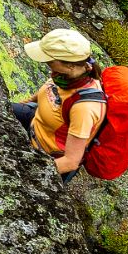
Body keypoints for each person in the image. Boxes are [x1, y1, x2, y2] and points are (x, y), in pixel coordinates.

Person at [11, 29, 106, 181]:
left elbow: (70, 162)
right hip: (34, 124)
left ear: (70, 65)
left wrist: (28, 176)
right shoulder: (63, 76)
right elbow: (45, 92)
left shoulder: (84, 108)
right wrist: (21, 105)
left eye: (49, 61)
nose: (47, 65)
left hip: (47, 156)